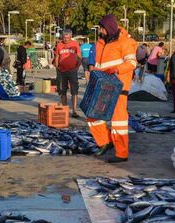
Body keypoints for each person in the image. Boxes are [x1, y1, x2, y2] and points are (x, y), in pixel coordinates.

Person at [87, 14, 137, 163]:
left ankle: (122, 154)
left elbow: (132, 63)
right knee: (92, 115)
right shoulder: (101, 43)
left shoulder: (125, 42)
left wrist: (116, 69)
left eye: (102, 28)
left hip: (118, 87)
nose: (100, 31)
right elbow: (98, 65)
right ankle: (105, 142)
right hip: (103, 86)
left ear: (109, 28)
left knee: (119, 122)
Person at [55, 29, 81, 118]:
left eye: (68, 38)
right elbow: (57, 56)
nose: (66, 39)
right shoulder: (59, 45)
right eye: (64, 38)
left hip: (72, 71)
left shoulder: (75, 44)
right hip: (61, 71)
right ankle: (65, 109)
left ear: (71, 37)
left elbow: (79, 57)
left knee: (74, 91)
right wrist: (57, 67)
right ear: (62, 37)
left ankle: (74, 111)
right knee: (62, 91)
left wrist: (77, 67)